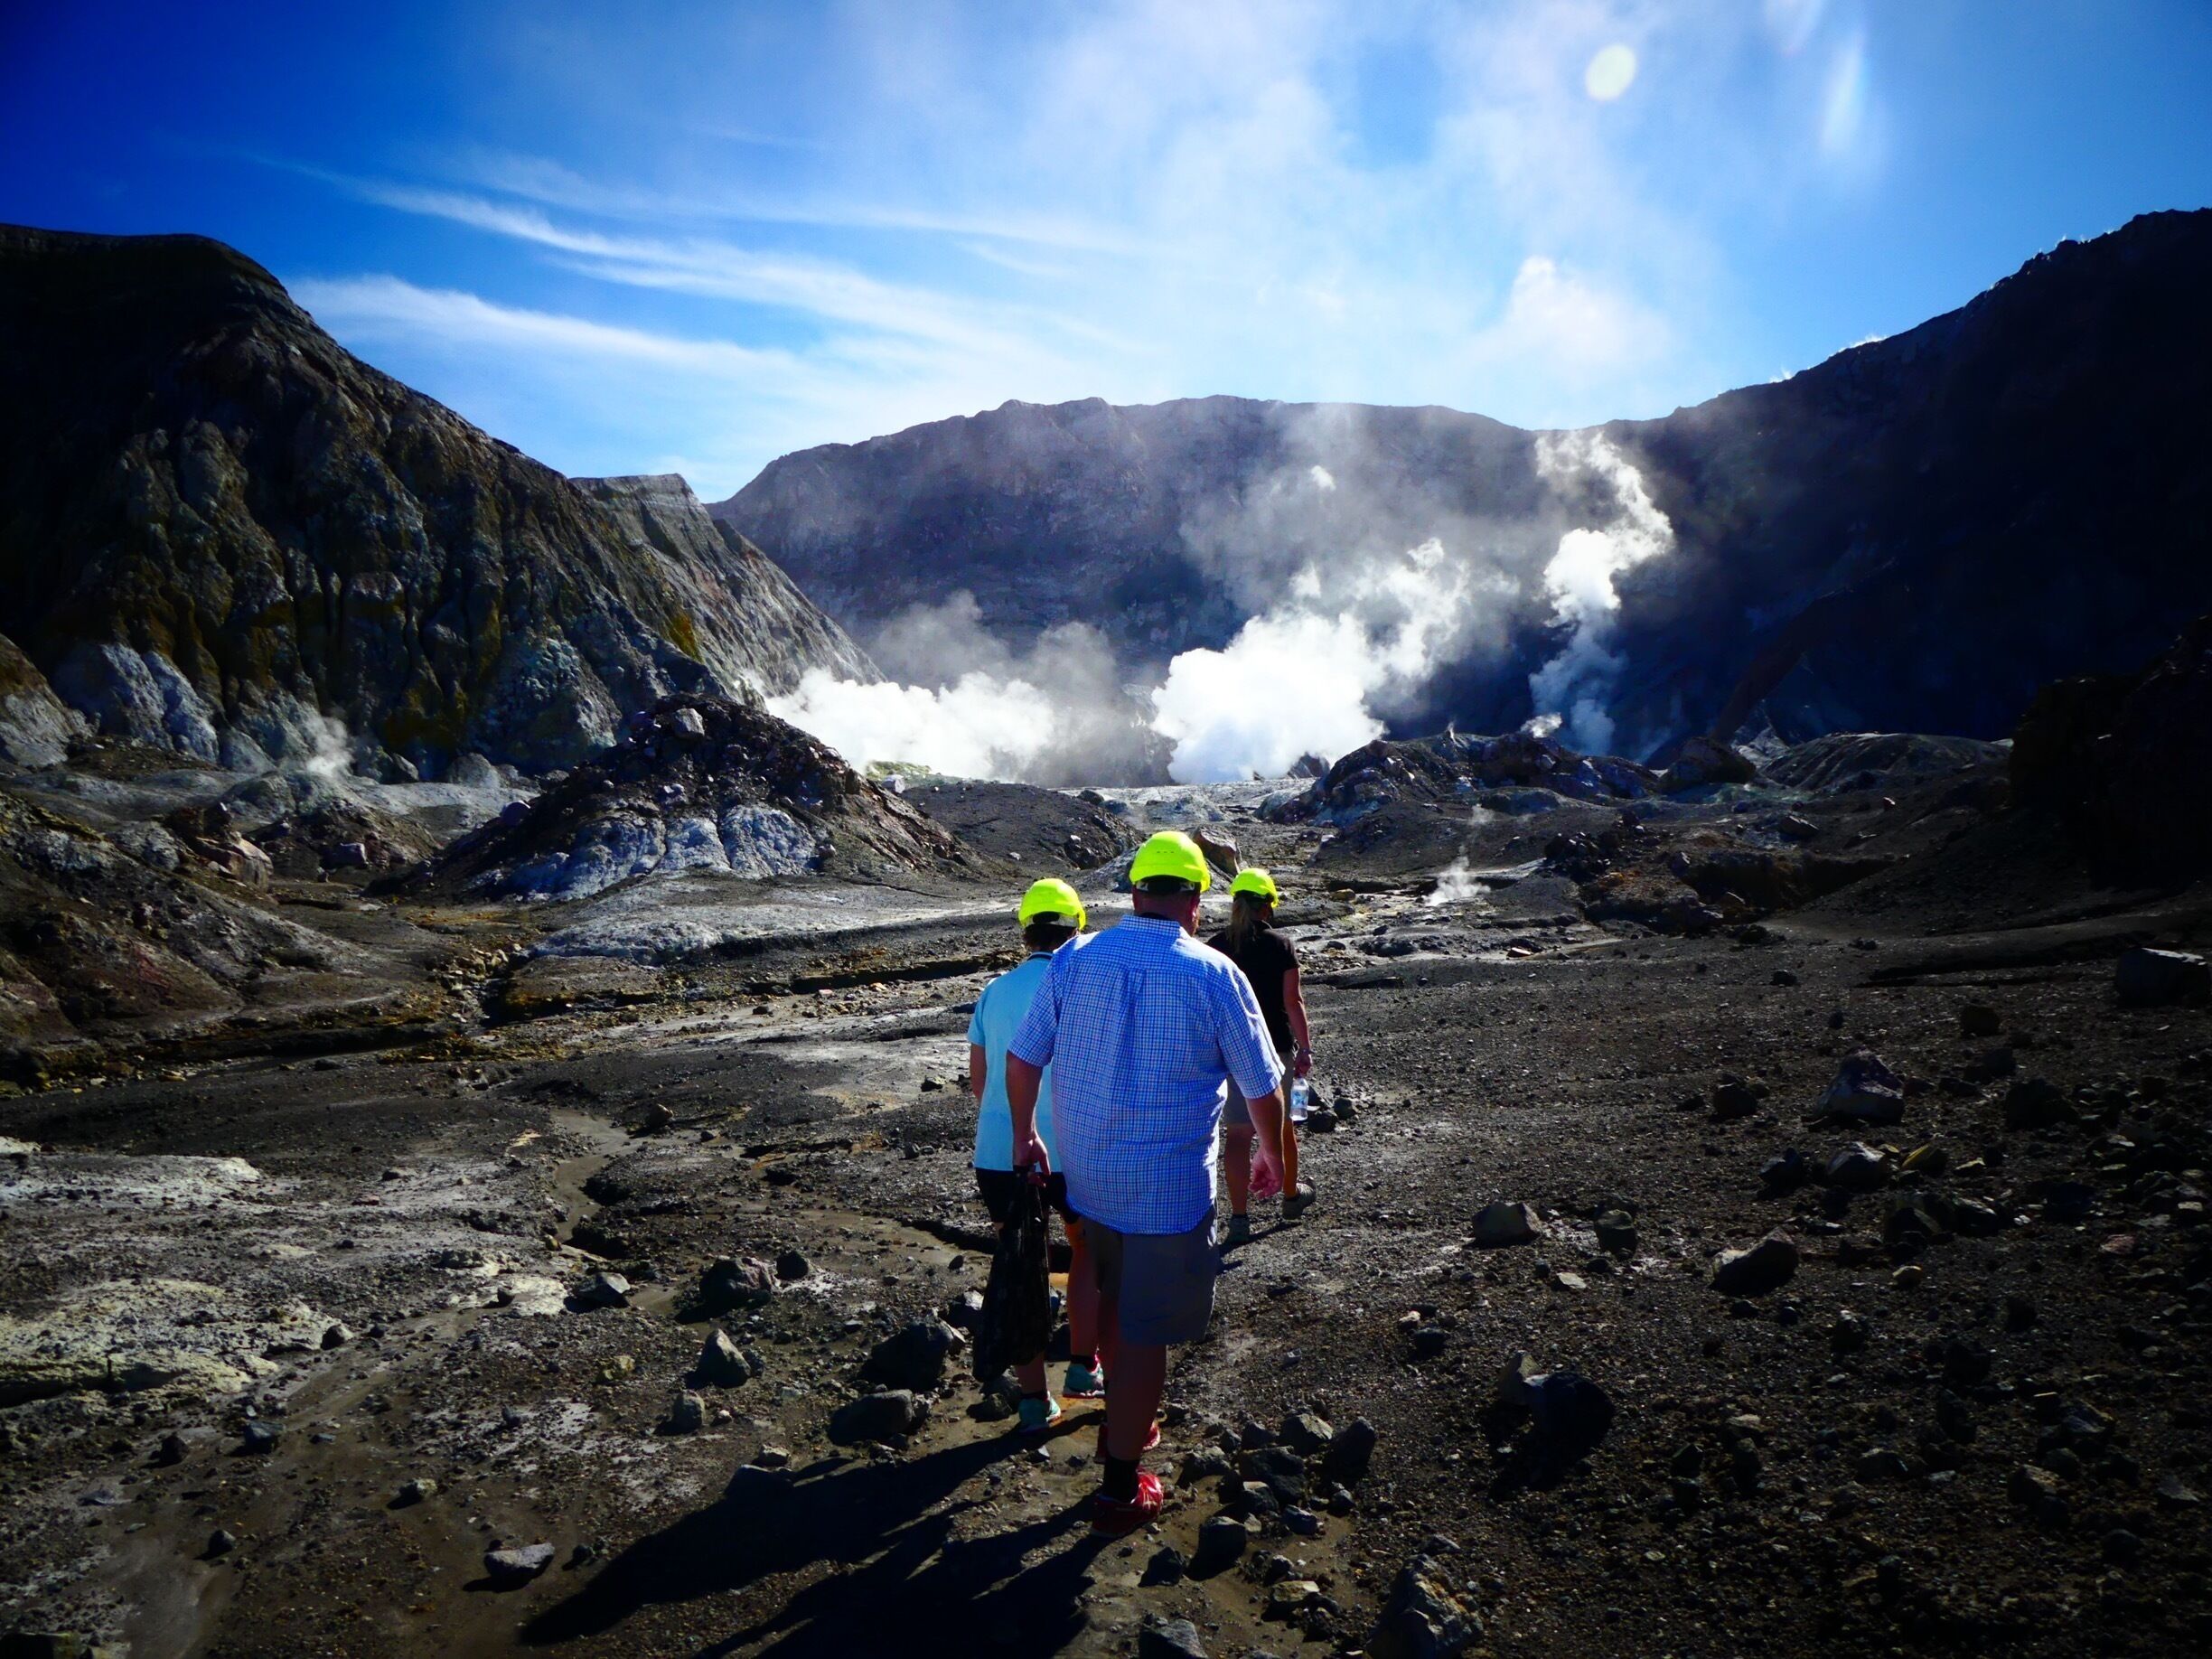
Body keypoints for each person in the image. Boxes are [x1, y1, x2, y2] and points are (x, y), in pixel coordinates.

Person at [1004, 830, 1288, 1535]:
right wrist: (1276, 1164)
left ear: (1134, 892)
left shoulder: (1075, 958)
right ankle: (1120, 1486)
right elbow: (1265, 1091)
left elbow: (1021, 1057)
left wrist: (1024, 1135)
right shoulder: (1215, 974)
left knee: (1106, 1284)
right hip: (1167, 1192)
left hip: (1091, 1176)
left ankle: (1113, 1421)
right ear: (1196, 899)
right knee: (1145, 1339)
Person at [968, 877, 1101, 1432]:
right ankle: (1081, 1367)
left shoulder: (995, 992)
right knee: (1089, 1253)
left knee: (1022, 1264)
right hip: (1073, 1150)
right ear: (1078, 927)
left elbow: (981, 1084)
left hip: (1001, 1152)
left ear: (1025, 931)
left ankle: (1030, 1399)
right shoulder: (1085, 985)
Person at [1206, 867, 1314, 1240]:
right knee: (1284, 1125)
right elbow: (1293, 1001)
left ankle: (1238, 1218)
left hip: (1228, 1052)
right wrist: (1307, 1048)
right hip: (1276, 1048)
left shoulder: (1215, 946)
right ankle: (1289, 1196)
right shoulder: (1281, 946)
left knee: (1237, 1134)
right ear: (1267, 908)